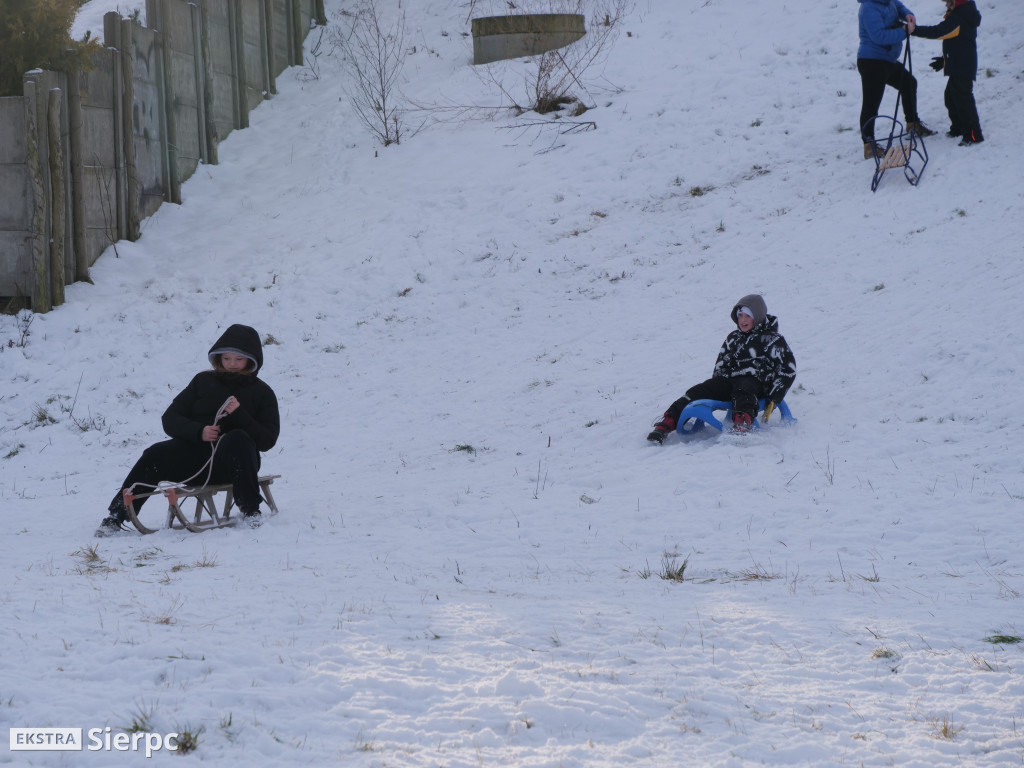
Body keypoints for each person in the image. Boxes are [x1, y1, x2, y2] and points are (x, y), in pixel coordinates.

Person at [96, 324, 280, 535]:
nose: (232, 364)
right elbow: (170, 418)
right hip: (196, 463)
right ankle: (117, 515)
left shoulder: (262, 392)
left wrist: (240, 414)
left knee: (237, 438)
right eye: (227, 358)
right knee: (155, 453)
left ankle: (251, 511)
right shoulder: (203, 381)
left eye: (239, 359)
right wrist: (199, 431)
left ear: (251, 360)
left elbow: (267, 440)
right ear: (218, 358)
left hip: (235, 465)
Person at [647, 295, 796, 444]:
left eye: (747, 316)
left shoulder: (773, 340)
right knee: (698, 390)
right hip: (730, 381)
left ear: (757, 316)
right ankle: (666, 423)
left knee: (744, 388)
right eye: (740, 315)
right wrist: (717, 384)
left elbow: (788, 369)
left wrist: (774, 395)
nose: (742, 320)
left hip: (757, 383)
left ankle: (742, 425)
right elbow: (722, 363)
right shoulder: (733, 337)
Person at [857, 0, 935, 160]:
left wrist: (907, 14)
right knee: (871, 104)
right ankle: (868, 145)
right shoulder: (868, 8)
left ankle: (912, 123)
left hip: (887, 59)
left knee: (909, 83)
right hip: (872, 62)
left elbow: (897, 5)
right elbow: (879, 36)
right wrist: (903, 31)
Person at [912, 0, 983, 145]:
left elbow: (938, 31)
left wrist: (914, 30)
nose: (946, 5)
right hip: (959, 62)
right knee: (950, 97)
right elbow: (959, 42)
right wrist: (944, 60)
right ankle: (958, 128)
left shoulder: (960, 16)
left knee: (964, 101)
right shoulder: (962, 13)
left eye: (948, 2)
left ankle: (973, 135)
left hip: (963, 65)